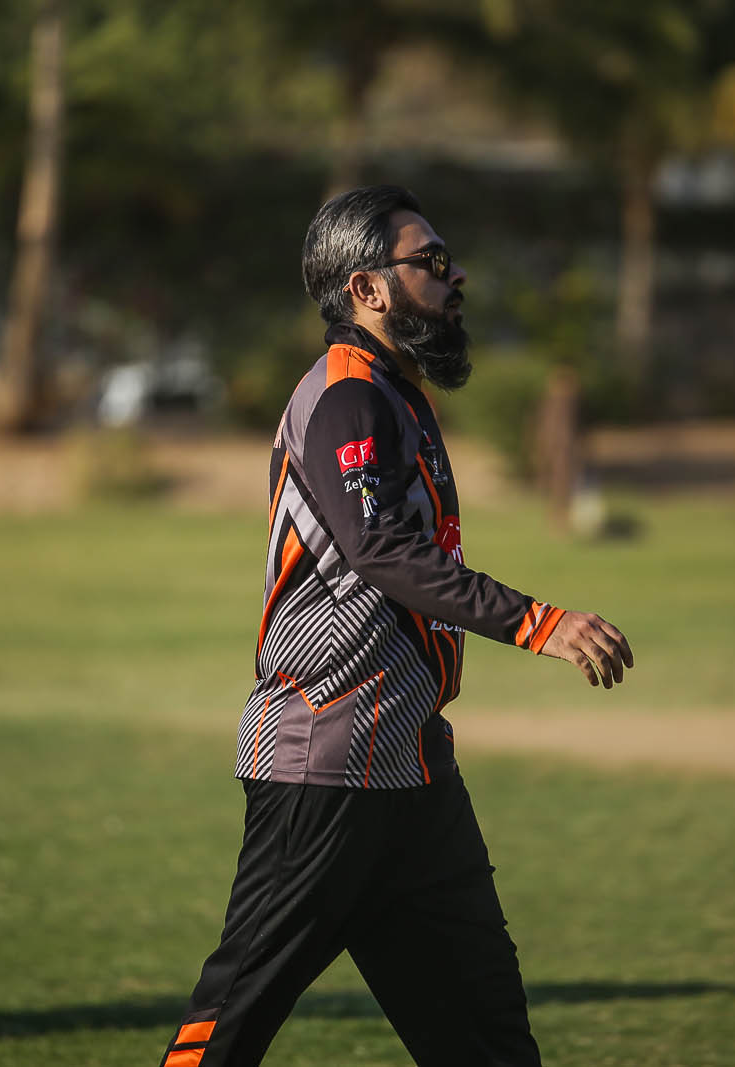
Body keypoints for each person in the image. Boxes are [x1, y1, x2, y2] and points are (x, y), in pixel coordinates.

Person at [157, 186, 634, 1067]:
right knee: (228, 1029)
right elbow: (379, 548)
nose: (456, 279)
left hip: (413, 771)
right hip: (327, 765)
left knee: (489, 1040)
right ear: (367, 288)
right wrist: (539, 623)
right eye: (432, 262)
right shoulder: (349, 396)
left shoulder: (395, 394)